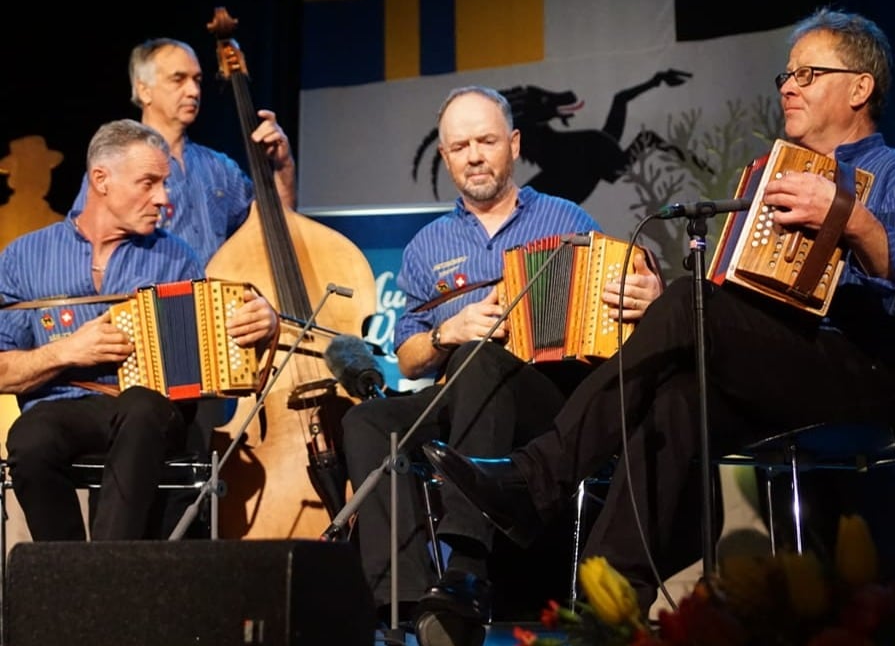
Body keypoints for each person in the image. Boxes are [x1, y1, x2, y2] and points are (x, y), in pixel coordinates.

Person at [422, 8, 895, 615]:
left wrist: (849, 216)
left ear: (861, 87)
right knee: (676, 394)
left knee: (688, 304)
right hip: (786, 365)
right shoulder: (779, 176)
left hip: (862, 374)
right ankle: (612, 602)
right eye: (787, 74)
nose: (788, 85)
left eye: (809, 74)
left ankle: (534, 478)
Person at [337, 85, 664, 645]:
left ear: (513, 145)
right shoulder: (425, 245)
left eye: (486, 140)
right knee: (365, 421)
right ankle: (405, 601)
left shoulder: (565, 218)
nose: (473, 155)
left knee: (483, 358)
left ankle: (466, 569)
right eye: (459, 145)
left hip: (548, 405)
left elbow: (615, 301)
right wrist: (447, 331)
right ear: (445, 157)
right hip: (460, 393)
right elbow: (411, 358)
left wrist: (646, 292)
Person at [0, 119, 279, 541]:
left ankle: (106, 569)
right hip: (64, 407)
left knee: (143, 407)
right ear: (101, 180)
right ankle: (63, 574)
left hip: (151, 414)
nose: (163, 199)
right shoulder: (24, 256)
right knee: (30, 439)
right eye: (148, 183)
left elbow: (216, 356)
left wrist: (261, 323)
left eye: (165, 183)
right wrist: (67, 351)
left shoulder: (175, 257)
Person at [73, 37, 296, 266]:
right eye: (178, 79)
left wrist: (283, 165)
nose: (193, 91)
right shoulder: (116, 165)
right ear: (144, 90)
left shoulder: (220, 168)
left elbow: (274, 228)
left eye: (197, 80)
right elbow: (84, 245)